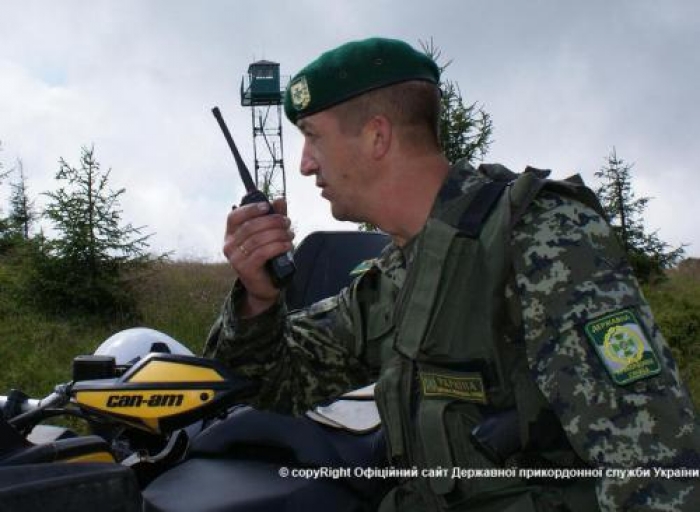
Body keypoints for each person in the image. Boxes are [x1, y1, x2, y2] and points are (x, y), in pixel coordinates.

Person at [204, 37, 700, 511]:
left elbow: (653, 463)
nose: (306, 164)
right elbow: (274, 385)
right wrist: (259, 300)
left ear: (378, 135)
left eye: (313, 137)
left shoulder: (538, 236)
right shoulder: (397, 271)